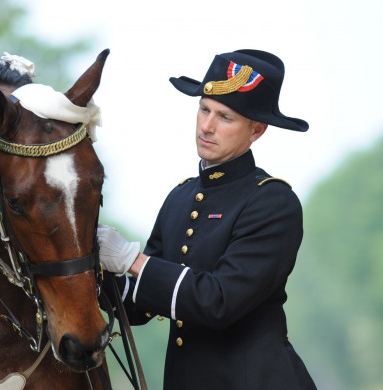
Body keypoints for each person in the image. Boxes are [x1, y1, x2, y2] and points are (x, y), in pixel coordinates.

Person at [98, 49, 317, 389]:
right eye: (204, 109)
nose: (207, 126)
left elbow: (219, 302)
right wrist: (81, 261)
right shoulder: (180, 197)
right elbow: (139, 306)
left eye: (225, 117)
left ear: (256, 130)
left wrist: (131, 259)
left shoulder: (273, 201)